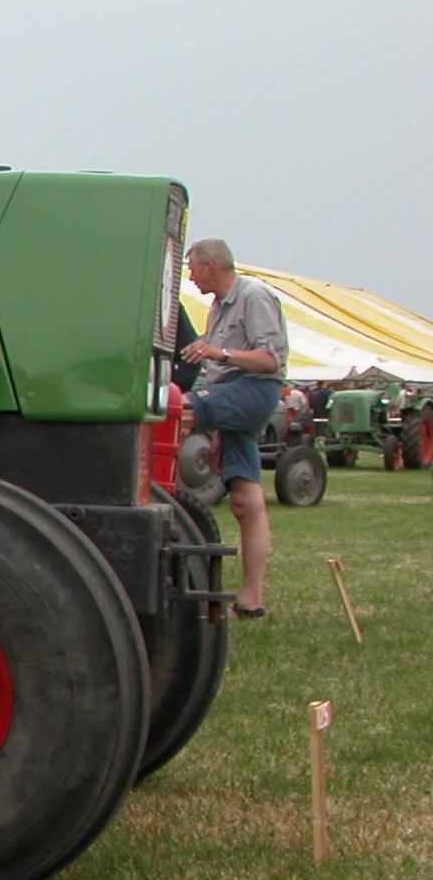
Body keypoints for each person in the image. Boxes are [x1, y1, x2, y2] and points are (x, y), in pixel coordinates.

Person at [179, 237, 289, 618]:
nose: (190, 276)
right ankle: (250, 601)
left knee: (177, 409)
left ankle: (153, 493)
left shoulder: (254, 297)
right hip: (232, 396)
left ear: (211, 266)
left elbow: (269, 360)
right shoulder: (217, 308)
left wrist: (217, 351)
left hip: (256, 391)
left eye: (193, 267)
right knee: (245, 502)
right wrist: (215, 434)